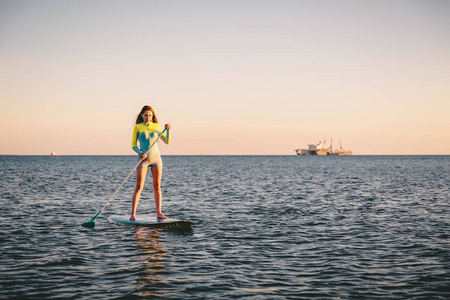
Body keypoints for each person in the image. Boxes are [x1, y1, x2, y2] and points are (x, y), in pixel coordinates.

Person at [130, 105, 171, 221]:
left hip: (156, 159)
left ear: (152, 116)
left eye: (150, 115)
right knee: (139, 186)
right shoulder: (137, 127)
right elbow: (133, 145)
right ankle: (133, 214)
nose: (148, 117)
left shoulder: (157, 127)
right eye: (146, 115)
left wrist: (168, 131)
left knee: (157, 186)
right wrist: (139, 152)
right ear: (142, 115)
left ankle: (159, 213)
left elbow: (167, 141)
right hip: (143, 159)